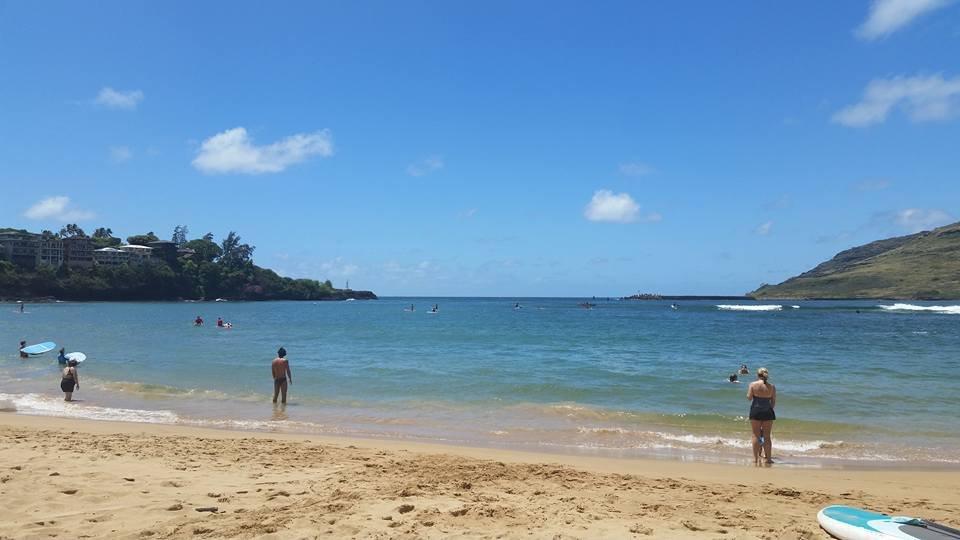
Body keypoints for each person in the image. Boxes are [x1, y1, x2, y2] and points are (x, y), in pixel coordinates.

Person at [747, 367, 776, 465]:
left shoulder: (752, 384)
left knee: (756, 435)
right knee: (767, 436)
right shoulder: (772, 386)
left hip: (756, 410)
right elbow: (773, 402)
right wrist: (768, 409)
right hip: (767, 411)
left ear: (757, 375)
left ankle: (755, 459)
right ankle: (768, 459)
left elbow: (749, 398)